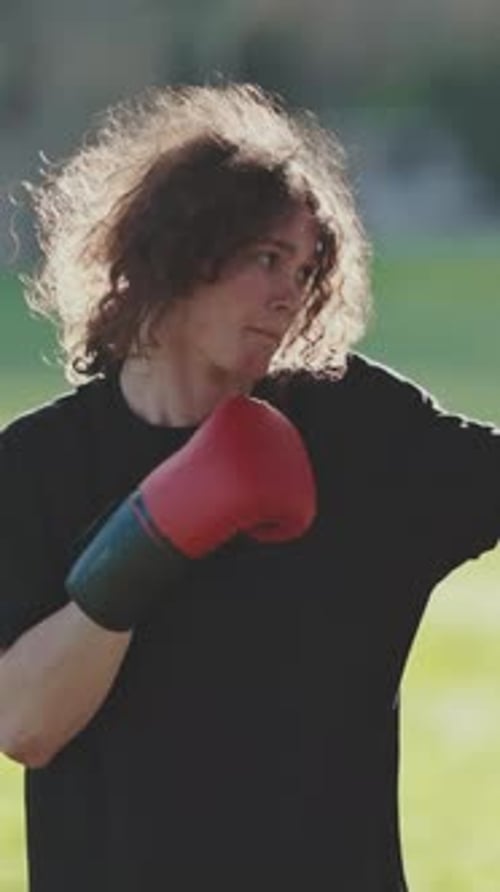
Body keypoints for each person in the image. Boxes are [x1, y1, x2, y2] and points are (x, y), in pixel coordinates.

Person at [0, 81, 498, 892]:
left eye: (305, 271)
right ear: (171, 252)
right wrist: (155, 532)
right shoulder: (35, 467)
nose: (288, 294)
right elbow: (24, 724)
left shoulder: (356, 427)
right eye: (265, 258)